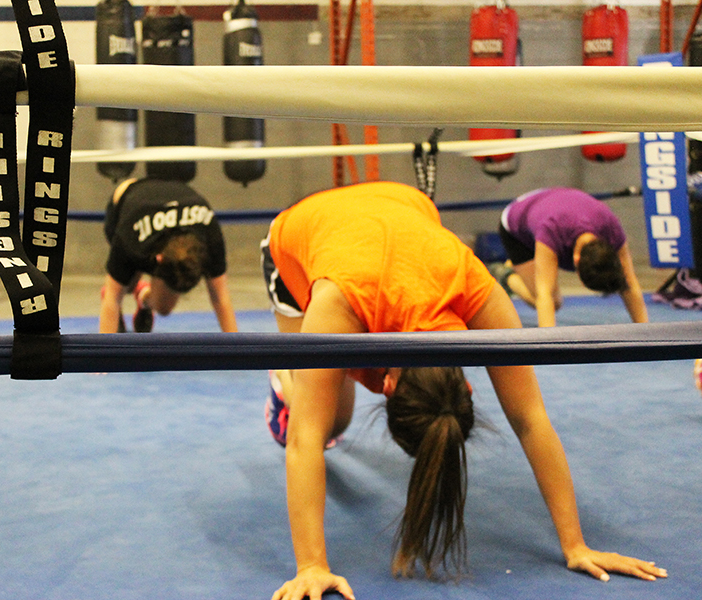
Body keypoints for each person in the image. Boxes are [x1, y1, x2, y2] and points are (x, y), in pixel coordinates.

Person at [260, 181, 666, 600]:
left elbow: (529, 418)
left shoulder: (476, 288)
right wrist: (311, 566)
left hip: (401, 207)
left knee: (327, 411)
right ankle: (283, 377)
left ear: (465, 385)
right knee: (327, 422)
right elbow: (304, 439)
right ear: (389, 385)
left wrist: (576, 545)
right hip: (299, 234)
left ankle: (305, 380)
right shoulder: (340, 303)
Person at [99, 177, 238, 333]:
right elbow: (112, 298)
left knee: (163, 308)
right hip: (125, 203)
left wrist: (238, 347)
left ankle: (143, 296)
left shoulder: (210, 238)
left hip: (164, 205)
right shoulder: (131, 239)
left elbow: (220, 298)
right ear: (158, 259)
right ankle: (133, 289)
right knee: (125, 286)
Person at [494, 187, 647, 327]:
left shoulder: (612, 230)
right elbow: (544, 295)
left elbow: (629, 282)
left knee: (551, 298)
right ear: (576, 260)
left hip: (551, 203)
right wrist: (548, 344)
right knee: (553, 302)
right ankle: (506, 276)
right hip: (517, 225)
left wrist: (645, 331)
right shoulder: (551, 233)